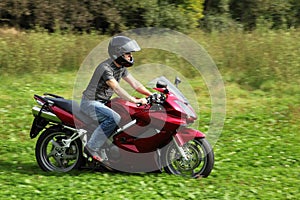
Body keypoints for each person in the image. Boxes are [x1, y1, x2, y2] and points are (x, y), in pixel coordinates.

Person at [80, 36, 152, 162]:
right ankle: (91, 147)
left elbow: (135, 84)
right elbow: (117, 88)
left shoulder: (121, 68)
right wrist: (134, 100)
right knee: (114, 118)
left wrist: (150, 95)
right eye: (128, 54)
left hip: (103, 102)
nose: (130, 56)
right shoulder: (105, 68)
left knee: (127, 114)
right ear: (118, 54)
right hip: (90, 103)